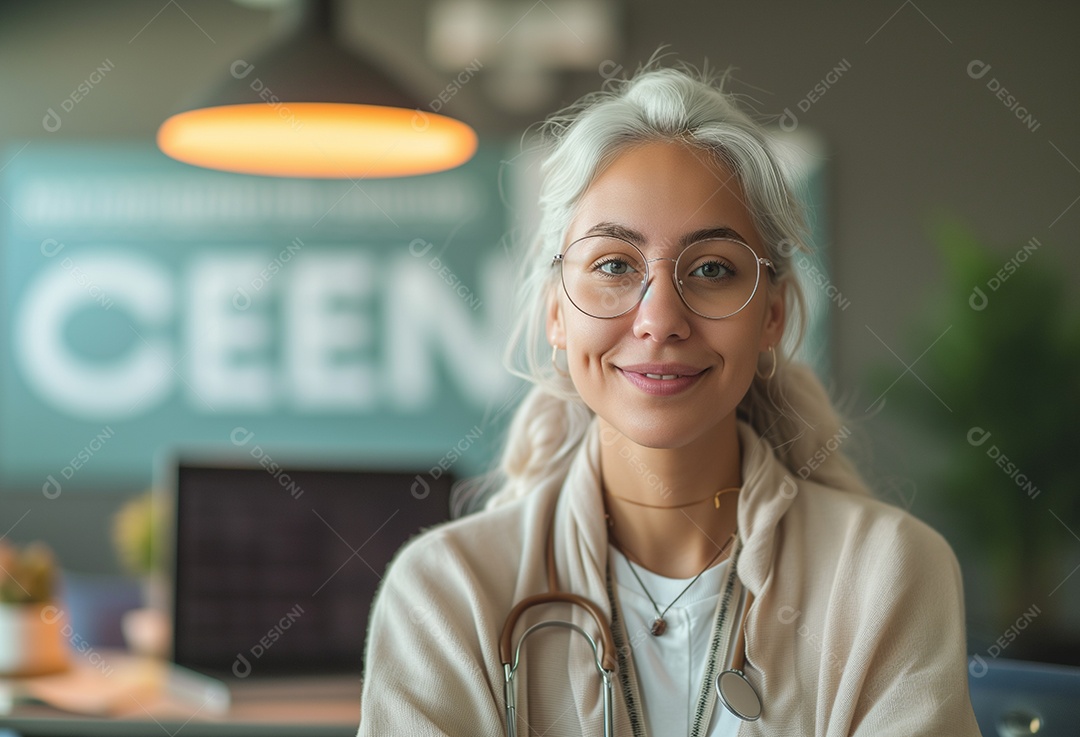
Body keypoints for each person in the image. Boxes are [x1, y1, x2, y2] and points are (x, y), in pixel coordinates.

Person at [356, 63, 981, 736]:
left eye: (712, 269)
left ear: (772, 313)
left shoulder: (888, 572)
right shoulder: (446, 592)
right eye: (615, 265)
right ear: (556, 314)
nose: (660, 318)